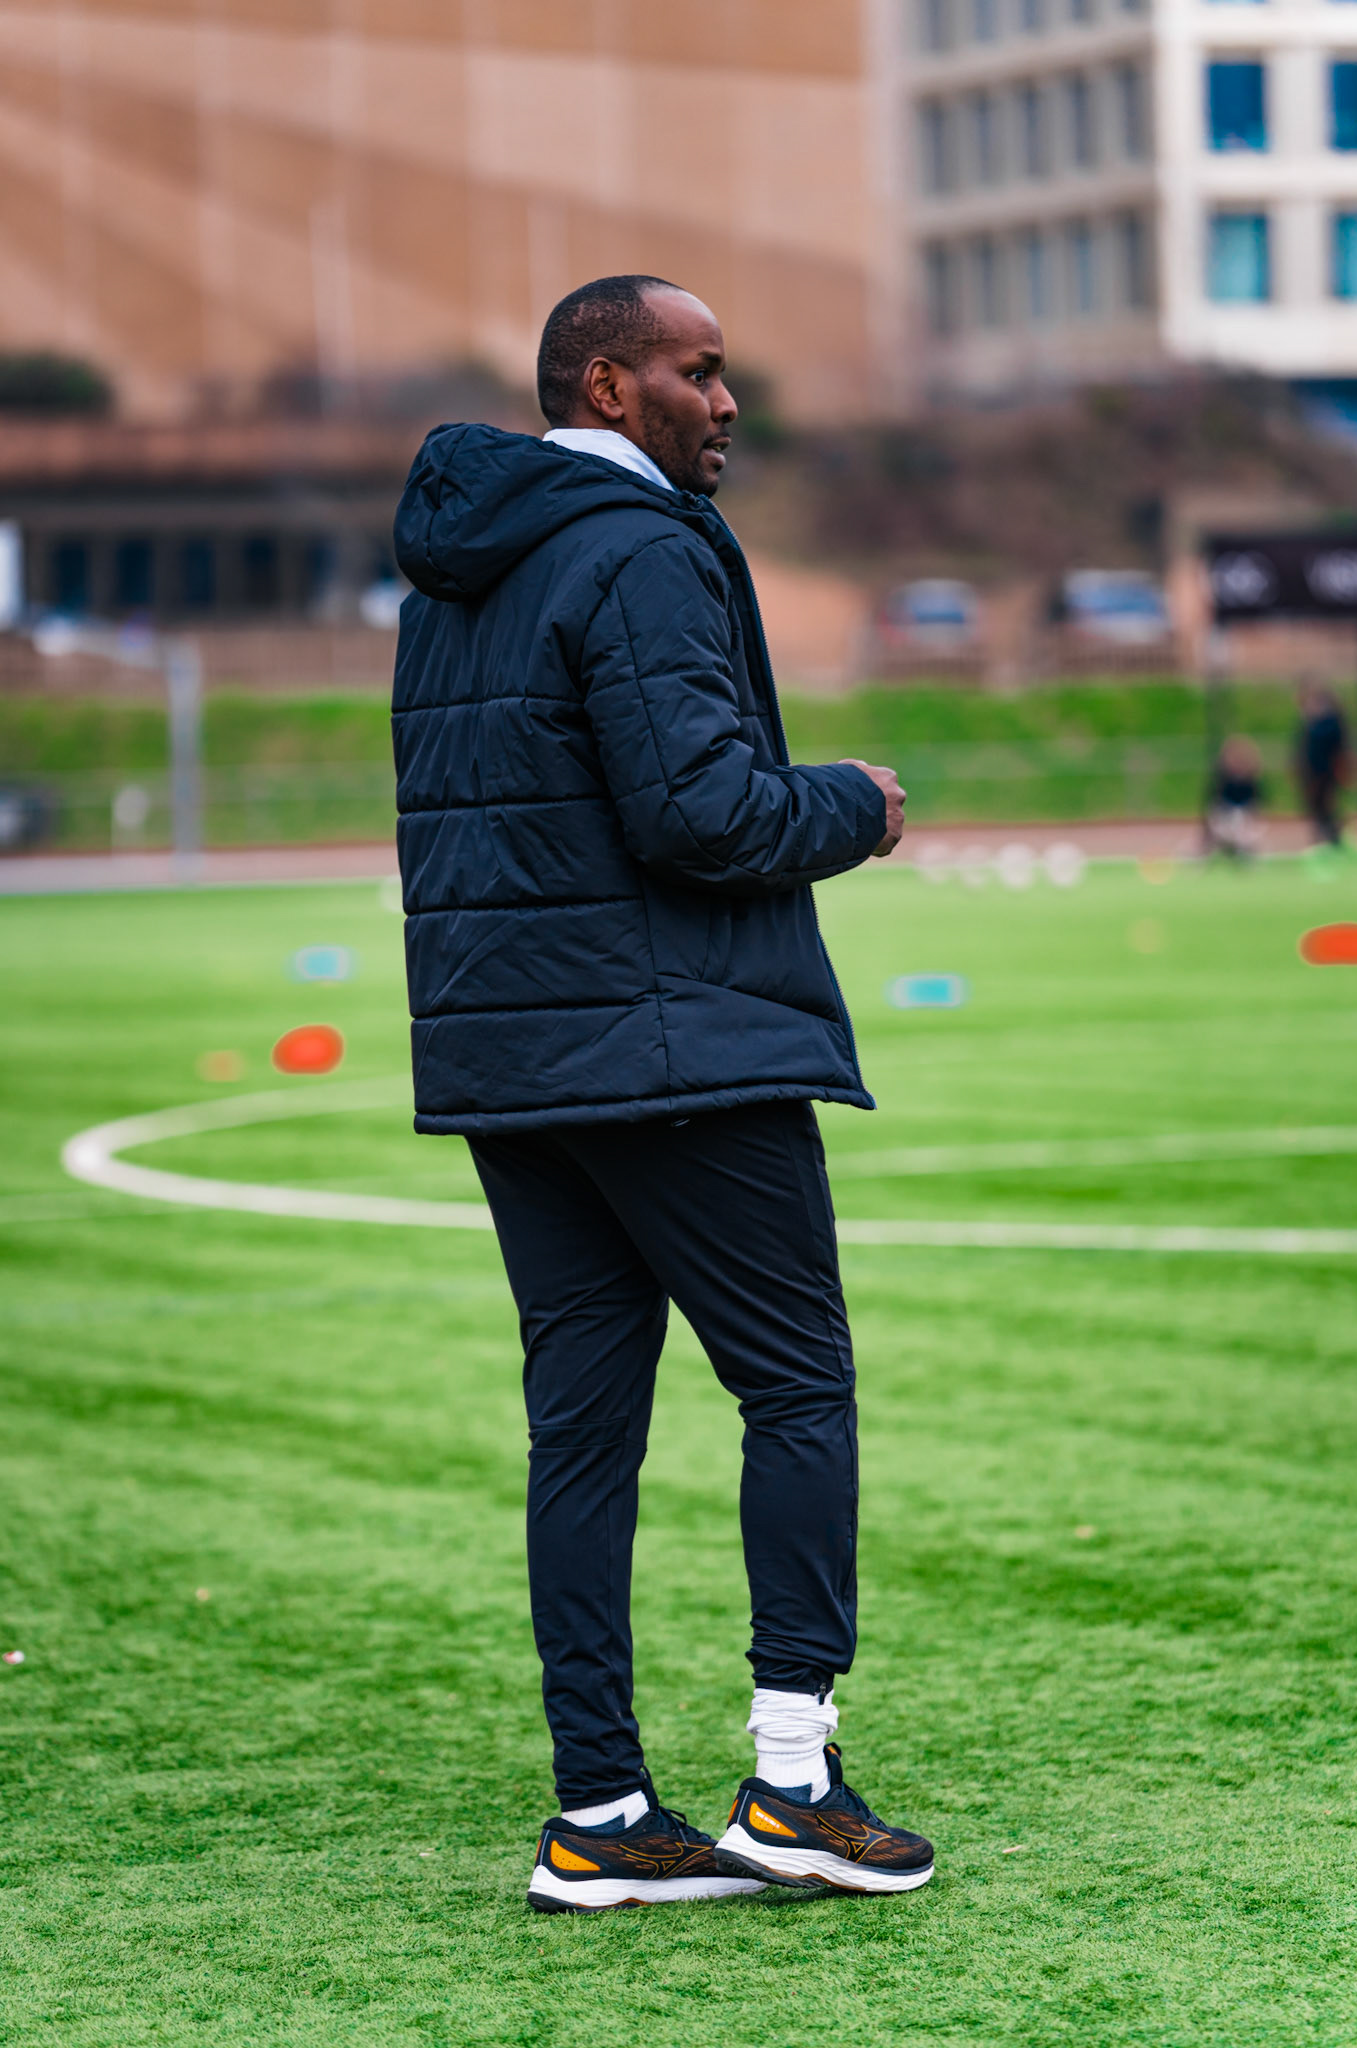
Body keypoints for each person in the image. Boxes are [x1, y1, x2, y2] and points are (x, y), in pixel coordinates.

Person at [391, 275, 934, 1914]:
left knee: (582, 1426)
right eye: (701, 372)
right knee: (799, 1389)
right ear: (609, 384)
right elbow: (698, 811)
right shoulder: (637, 545)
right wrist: (854, 799)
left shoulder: (458, 566)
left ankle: (599, 1809)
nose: (730, 399)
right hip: (674, 1045)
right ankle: (788, 1782)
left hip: (511, 1055)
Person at [1295, 678, 1352, 847]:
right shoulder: (1311, 723)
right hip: (1312, 770)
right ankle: (1325, 834)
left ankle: (1333, 835)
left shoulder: (1331, 722)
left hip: (1326, 770)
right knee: (1315, 805)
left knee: (1326, 803)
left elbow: (1337, 746)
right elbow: (1303, 748)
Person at [1202, 734, 1264, 859]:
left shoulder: (1250, 780)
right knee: (1225, 823)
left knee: (1240, 821)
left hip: (1243, 814)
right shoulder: (1222, 779)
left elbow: (1256, 801)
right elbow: (1215, 800)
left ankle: (1243, 850)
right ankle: (1220, 849)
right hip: (1225, 813)